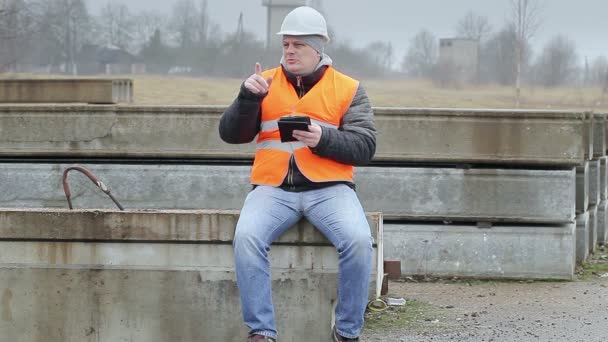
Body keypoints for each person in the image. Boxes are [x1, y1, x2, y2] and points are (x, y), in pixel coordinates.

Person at [219, 6, 376, 342]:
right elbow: (231, 134)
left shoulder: (348, 89)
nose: (289, 51)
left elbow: (365, 147)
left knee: (359, 242)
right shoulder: (264, 83)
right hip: (272, 189)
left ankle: (347, 333)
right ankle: (261, 332)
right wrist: (247, 98)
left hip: (330, 189)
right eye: (286, 45)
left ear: (318, 49)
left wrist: (324, 138)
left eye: (298, 45)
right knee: (246, 238)